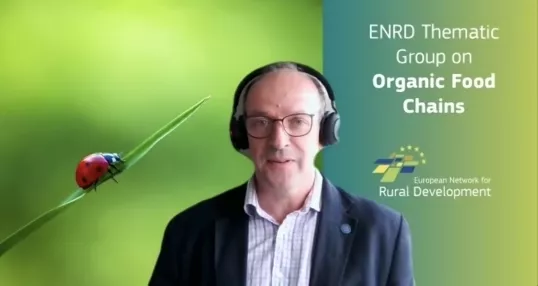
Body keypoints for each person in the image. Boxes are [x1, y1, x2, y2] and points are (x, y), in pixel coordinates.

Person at [148, 61, 415, 286]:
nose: (278, 141)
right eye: (261, 122)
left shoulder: (383, 231)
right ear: (240, 134)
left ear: (326, 131)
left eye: (298, 121)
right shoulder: (190, 230)